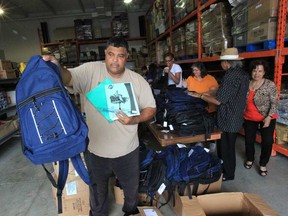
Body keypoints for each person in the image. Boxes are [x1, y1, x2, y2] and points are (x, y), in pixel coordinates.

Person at [43, 36, 156, 216]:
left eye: (120, 56)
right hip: (97, 149)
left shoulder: (137, 80)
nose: (115, 60)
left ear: (127, 57)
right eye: (111, 54)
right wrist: (57, 67)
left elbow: (151, 108)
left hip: (127, 149)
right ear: (105, 54)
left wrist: (134, 119)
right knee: (97, 190)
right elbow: (68, 78)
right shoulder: (91, 71)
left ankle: (130, 211)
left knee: (131, 188)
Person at [188, 47, 249, 181]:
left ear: (227, 63)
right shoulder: (242, 74)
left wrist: (201, 96)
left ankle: (227, 173)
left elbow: (219, 101)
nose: (221, 64)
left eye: (222, 61)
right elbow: (229, 94)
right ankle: (224, 169)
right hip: (236, 114)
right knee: (226, 145)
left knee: (226, 147)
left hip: (229, 117)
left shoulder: (231, 75)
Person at [243, 59, 278, 177]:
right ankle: (250, 158)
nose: (256, 73)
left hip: (266, 117)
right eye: (254, 70)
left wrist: (269, 117)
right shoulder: (247, 83)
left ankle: (263, 163)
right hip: (249, 117)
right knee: (249, 140)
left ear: (264, 72)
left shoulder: (269, 85)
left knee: (267, 141)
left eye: (260, 71)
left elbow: (274, 103)